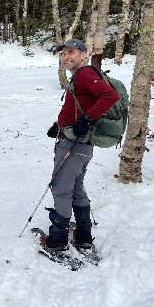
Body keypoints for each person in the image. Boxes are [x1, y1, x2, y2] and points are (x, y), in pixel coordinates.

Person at [42, 39, 119, 252]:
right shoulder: (80, 77)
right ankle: (83, 236)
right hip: (78, 143)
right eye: (63, 53)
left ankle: (57, 242)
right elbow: (79, 105)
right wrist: (58, 125)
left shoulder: (85, 74)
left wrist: (86, 119)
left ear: (83, 54)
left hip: (73, 144)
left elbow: (111, 96)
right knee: (75, 188)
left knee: (61, 188)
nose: (66, 57)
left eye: (71, 52)